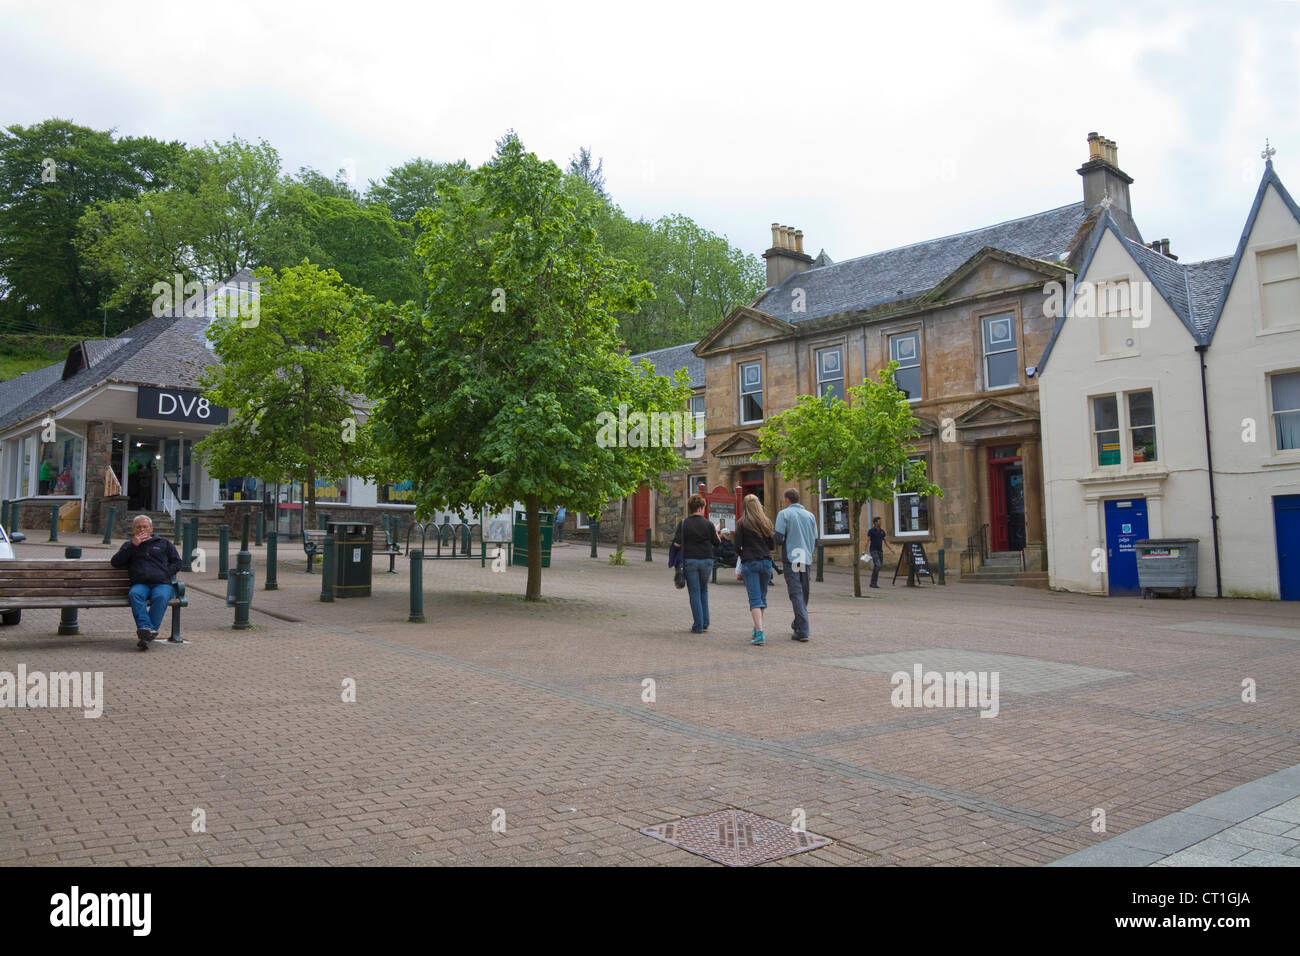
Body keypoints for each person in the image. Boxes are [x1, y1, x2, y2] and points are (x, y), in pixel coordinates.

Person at [111, 515, 183, 651]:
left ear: (151, 528)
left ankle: (146, 635)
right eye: (138, 527)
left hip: (161, 583)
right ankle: (147, 630)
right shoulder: (129, 545)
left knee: (160, 597)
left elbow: (177, 562)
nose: (142, 529)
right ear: (134, 530)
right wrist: (133, 546)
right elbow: (115, 562)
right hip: (140, 584)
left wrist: (165, 573)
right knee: (134, 594)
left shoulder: (164, 543)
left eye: (145, 527)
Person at [774, 488, 818, 642]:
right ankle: (798, 622)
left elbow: (778, 538)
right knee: (803, 591)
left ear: (787, 499)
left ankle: (803, 629)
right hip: (805, 557)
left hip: (792, 557)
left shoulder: (784, 514)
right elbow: (815, 540)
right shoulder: (810, 516)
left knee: (796, 592)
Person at [674, 494, 721, 633]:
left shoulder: (683, 524)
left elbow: (677, 543)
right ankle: (705, 622)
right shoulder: (708, 524)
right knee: (704, 590)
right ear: (701, 508)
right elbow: (717, 543)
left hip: (690, 561)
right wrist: (716, 531)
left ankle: (698, 625)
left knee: (694, 592)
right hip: (707, 560)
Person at [733, 494, 775, 646]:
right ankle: (757, 628)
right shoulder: (767, 522)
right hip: (766, 562)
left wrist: (743, 553)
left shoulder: (742, 523)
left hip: (750, 562)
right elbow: (772, 546)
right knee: (762, 598)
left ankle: (759, 633)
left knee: (755, 600)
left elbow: (737, 546)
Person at [867, 516, 894, 588]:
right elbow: (867, 541)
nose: (881, 522)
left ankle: (872, 583)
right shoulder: (871, 531)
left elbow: (885, 541)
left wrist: (891, 549)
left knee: (878, 566)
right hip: (873, 550)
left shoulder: (882, 531)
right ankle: (873, 583)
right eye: (879, 521)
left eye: (881, 521)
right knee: (878, 565)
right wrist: (864, 550)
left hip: (880, 551)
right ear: (875, 523)